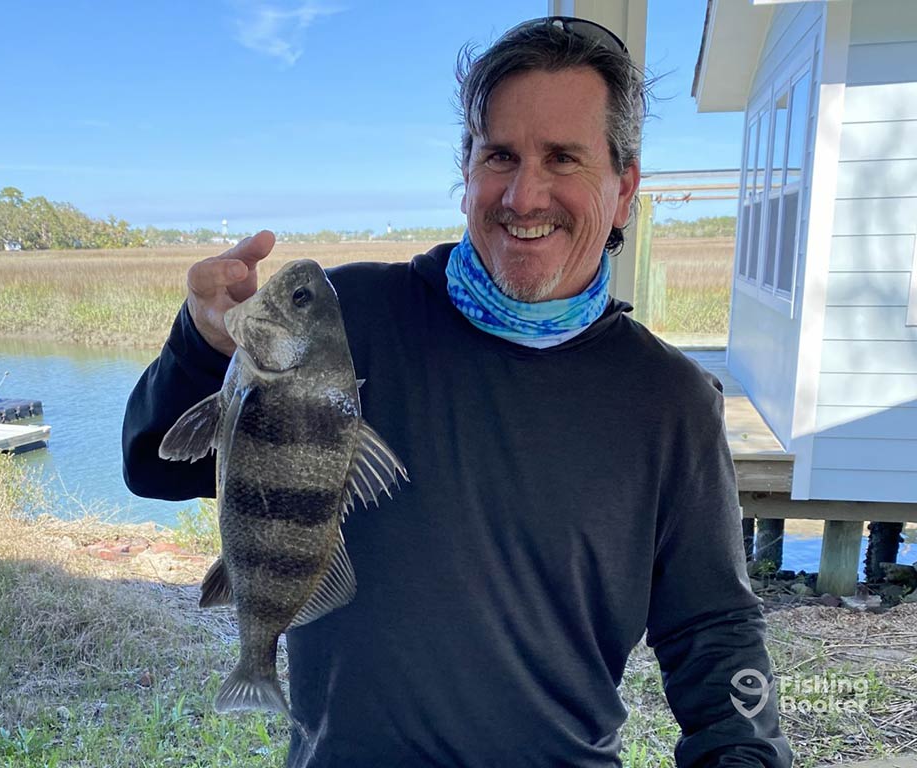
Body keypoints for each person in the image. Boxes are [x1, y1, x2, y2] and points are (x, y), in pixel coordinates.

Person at [123, 16, 792, 768]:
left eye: (563, 157)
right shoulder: (349, 322)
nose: (524, 194)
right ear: (467, 169)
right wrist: (199, 343)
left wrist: (747, 752)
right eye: (499, 154)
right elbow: (153, 467)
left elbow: (714, 632)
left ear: (625, 186)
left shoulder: (671, 400)